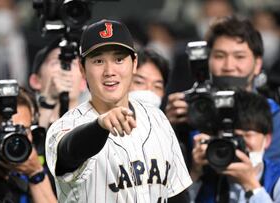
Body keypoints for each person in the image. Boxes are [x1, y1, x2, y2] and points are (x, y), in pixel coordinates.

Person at [45, 19, 192, 202]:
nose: (110, 71)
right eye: (98, 61)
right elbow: (69, 151)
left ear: (134, 63)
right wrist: (100, 126)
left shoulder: (158, 119)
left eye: (119, 59)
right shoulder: (65, 125)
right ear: (83, 69)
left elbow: (177, 195)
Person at [165, 15, 280, 164]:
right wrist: (167, 129)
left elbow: (278, 178)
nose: (229, 66)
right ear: (207, 61)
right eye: (219, 56)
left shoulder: (276, 119)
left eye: (239, 56)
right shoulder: (193, 112)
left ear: (257, 64)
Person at [189, 91, 280, 202]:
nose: (237, 143)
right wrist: (194, 175)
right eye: (233, 136)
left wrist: (251, 185)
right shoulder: (207, 177)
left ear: (267, 139)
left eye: (247, 134)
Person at [29, 36, 88, 129]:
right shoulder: (24, 124)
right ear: (35, 81)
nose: (65, 69)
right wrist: (48, 102)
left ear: (83, 83)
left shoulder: (92, 125)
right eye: (55, 62)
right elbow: (35, 142)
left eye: (73, 63)